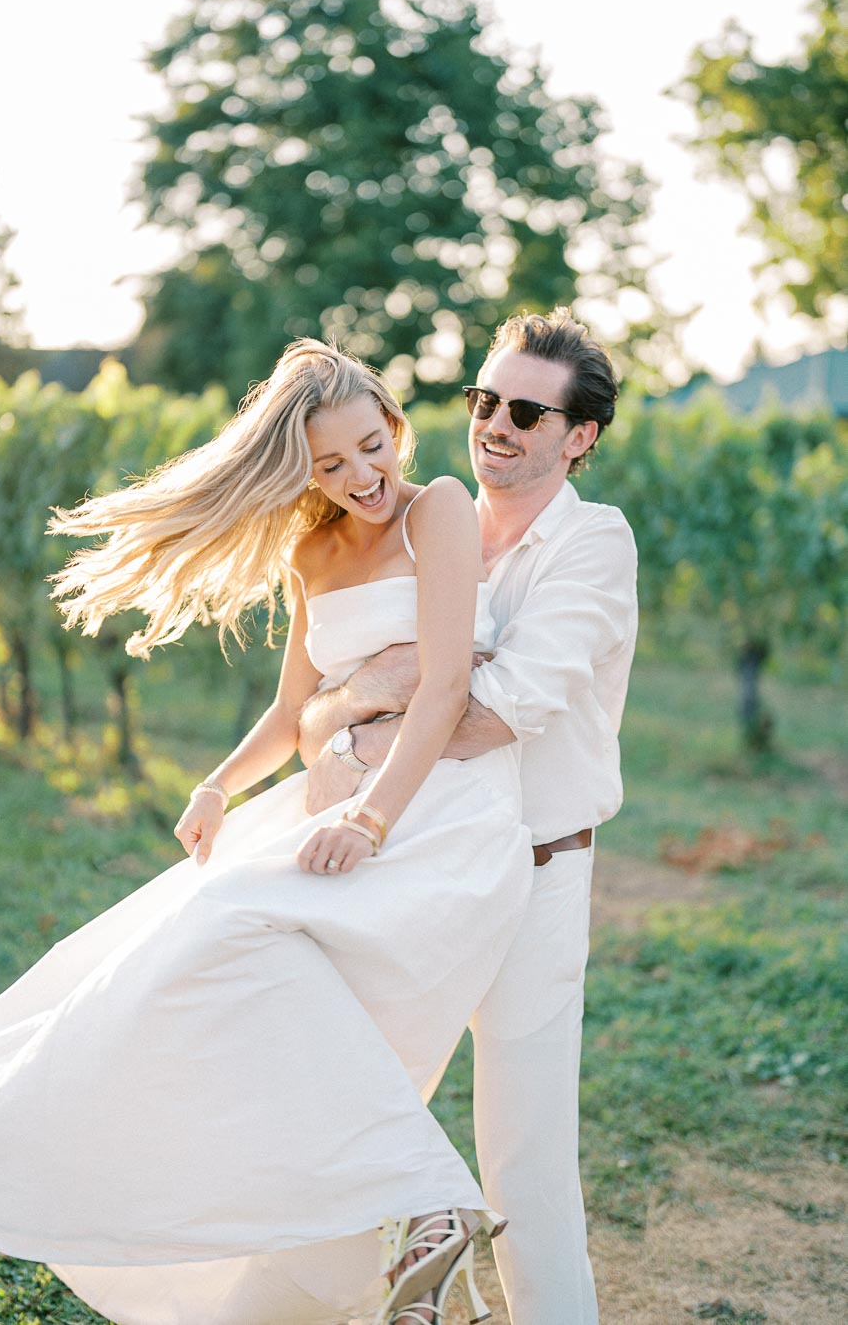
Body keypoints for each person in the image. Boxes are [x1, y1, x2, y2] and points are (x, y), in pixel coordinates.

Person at [0, 339, 535, 1325]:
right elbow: (289, 708)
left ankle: (417, 1201)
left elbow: (445, 686)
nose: (361, 478)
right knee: (170, 962)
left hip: (440, 808)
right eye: (331, 465)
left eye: (367, 447)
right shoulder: (311, 553)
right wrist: (219, 785)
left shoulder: (437, 508)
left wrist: (372, 815)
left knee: (230, 929)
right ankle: (398, 1227)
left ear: (393, 425)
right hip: (331, 802)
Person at [297, 309, 639, 1324]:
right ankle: (415, 1263)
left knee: (526, 1150)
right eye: (484, 399)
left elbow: (501, 712)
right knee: (346, 1076)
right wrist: (375, 700)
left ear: (578, 436)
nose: (495, 423)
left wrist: (367, 734)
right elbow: (316, 698)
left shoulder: (594, 545)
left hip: (533, 868)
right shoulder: (414, 522)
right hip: (409, 857)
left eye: (527, 411)